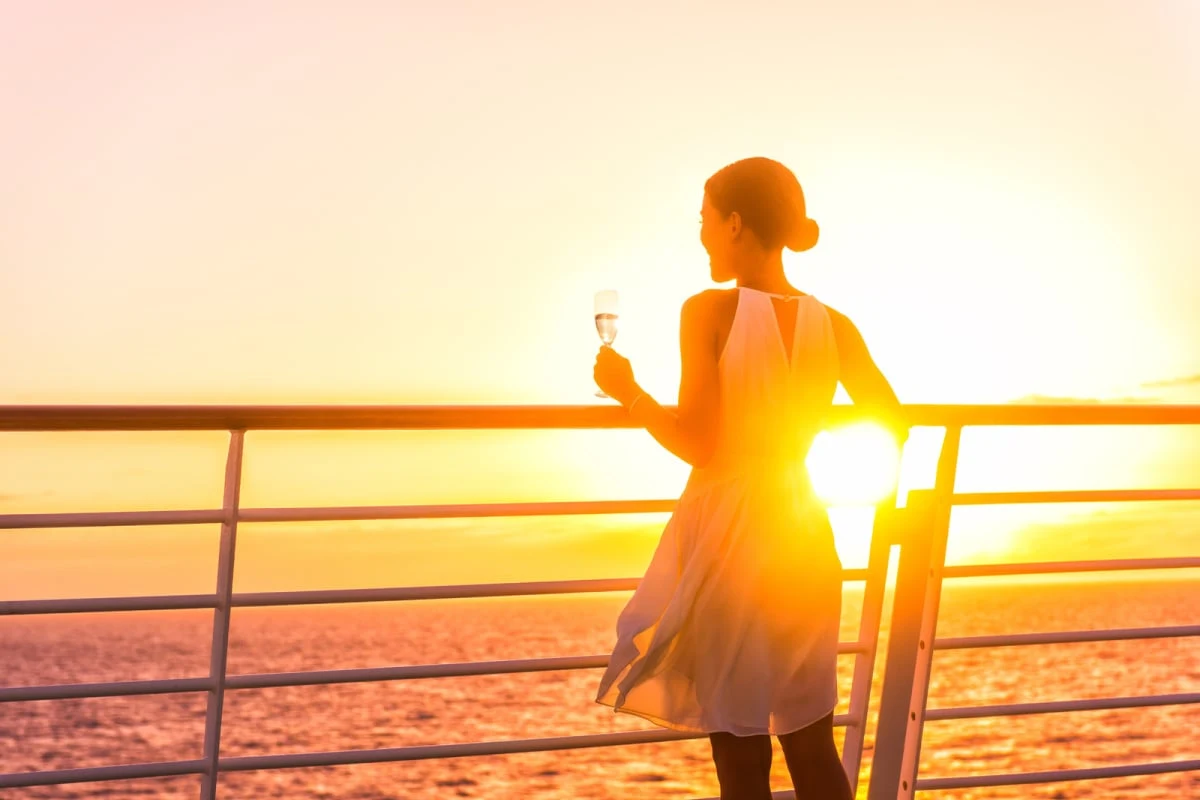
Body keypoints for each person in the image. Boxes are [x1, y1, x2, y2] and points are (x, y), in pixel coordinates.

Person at [592, 156, 905, 800]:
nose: (701, 234)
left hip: (733, 546)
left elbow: (700, 443)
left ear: (735, 224)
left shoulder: (708, 311)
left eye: (704, 220)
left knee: (739, 754)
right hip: (803, 536)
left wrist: (629, 394)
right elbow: (890, 419)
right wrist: (800, 430)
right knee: (812, 744)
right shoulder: (834, 324)